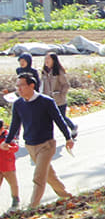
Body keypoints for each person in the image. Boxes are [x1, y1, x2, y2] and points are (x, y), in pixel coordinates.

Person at [9, 73, 77, 208]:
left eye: (21, 85)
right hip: (30, 145)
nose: (19, 89)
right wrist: (8, 141)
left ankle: (32, 207)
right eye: (17, 86)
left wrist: (68, 137)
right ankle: (66, 196)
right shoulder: (18, 104)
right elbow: (15, 125)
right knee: (49, 175)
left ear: (31, 85)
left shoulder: (46, 101)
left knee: (39, 177)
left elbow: (59, 120)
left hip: (46, 145)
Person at [40, 52, 78, 136]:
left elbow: (66, 85)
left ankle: (72, 127)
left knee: (61, 118)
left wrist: (61, 95)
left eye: (48, 59)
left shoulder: (58, 72)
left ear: (53, 60)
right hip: (47, 100)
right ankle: (46, 136)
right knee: (46, 119)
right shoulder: (44, 72)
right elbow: (42, 85)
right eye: (45, 59)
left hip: (59, 100)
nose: (46, 61)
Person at [0, 120, 18, 210]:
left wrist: (10, 148)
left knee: (13, 184)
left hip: (8, 165)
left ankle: (15, 200)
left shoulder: (8, 136)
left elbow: (16, 147)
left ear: (2, 129)